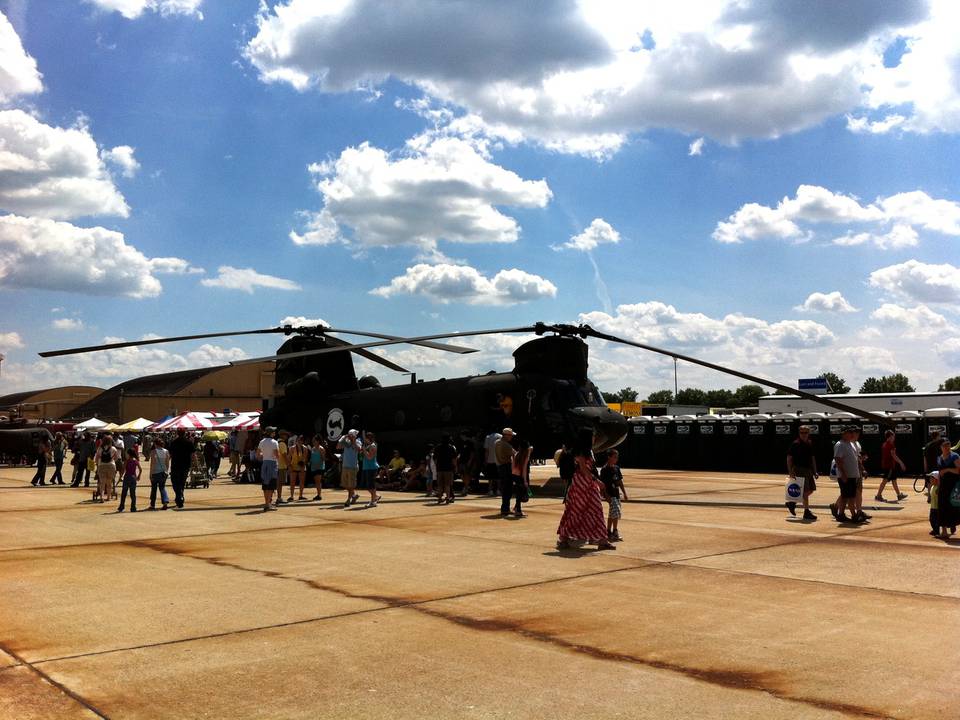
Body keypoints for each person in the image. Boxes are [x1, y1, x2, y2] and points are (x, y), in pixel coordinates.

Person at [557, 434, 615, 550]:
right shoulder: (581, 451)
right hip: (582, 484)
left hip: (587, 484)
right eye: (593, 436)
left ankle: (601, 539)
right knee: (577, 510)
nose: (595, 438)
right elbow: (583, 469)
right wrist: (596, 481)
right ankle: (564, 538)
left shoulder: (588, 451)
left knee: (593, 510)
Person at [831, 427, 862, 523]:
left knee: (845, 497)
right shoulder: (840, 445)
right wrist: (843, 474)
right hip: (846, 476)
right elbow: (838, 459)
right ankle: (854, 516)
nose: (852, 434)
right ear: (843, 434)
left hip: (852, 476)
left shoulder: (850, 444)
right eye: (849, 433)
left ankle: (841, 515)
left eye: (852, 433)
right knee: (850, 497)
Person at [786, 425, 818, 520]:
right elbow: (789, 458)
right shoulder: (795, 444)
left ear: (809, 433)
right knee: (805, 491)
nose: (804, 434)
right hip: (799, 469)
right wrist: (790, 471)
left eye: (805, 432)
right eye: (802, 433)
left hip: (808, 470)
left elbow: (812, 458)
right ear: (799, 433)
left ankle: (792, 503)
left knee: (811, 490)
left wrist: (815, 471)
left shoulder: (809, 443)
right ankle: (806, 511)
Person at [600, 449, 628, 540]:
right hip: (610, 494)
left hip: (616, 494)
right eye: (614, 457)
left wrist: (624, 493)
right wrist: (605, 494)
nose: (616, 459)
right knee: (614, 512)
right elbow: (602, 484)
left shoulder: (616, 468)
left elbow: (619, 481)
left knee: (615, 513)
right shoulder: (605, 469)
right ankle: (608, 531)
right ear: (609, 457)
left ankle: (614, 531)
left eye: (617, 457)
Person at [935, 439, 960, 539]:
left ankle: (952, 525)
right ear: (941, 447)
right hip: (943, 487)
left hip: (954, 487)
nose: (947, 447)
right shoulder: (939, 458)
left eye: (948, 445)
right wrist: (938, 486)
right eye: (945, 445)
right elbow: (940, 474)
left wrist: (947, 469)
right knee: (942, 507)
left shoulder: (955, 456)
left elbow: (959, 471)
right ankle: (944, 532)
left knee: (955, 507)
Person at [876, 429, 908, 502]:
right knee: (885, 480)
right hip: (889, 466)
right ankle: (878, 495)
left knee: (894, 480)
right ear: (890, 436)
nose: (894, 438)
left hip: (889, 466)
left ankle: (899, 495)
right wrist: (901, 463)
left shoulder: (884, 444)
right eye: (893, 436)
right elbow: (893, 455)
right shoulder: (890, 444)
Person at [168, 428, 194, 509]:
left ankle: (179, 496)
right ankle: (180, 496)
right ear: (185, 433)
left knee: (175, 482)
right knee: (182, 482)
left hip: (175, 465)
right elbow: (193, 454)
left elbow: (170, 454)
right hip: (186, 465)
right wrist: (195, 464)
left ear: (177, 433)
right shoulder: (189, 442)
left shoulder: (173, 442)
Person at [257, 427, 280, 511]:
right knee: (271, 485)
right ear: (271, 433)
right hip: (272, 463)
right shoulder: (274, 442)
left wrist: (264, 456)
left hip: (265, 463)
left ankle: (267, 503)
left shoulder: (262, 441)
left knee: (265, 485)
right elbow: (277, 455)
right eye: (273, 431)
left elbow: (258, 455)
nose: (274, 432)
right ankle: (268, 504)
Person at [495, 428, 517, 517]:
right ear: (506, 435)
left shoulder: (497, 443)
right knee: (508, 489)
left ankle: (505, 508)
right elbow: (516, 454)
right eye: (511, 435)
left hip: (500, 467)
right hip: (507, 467)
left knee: (504, 488)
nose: (512, 437)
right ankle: (505, 509)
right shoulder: (506, 445)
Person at [338, 429, 361, 507]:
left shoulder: (358, 441)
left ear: (355, 436)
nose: (350, 436)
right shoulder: (346, 442)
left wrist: (353, 440)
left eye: (352, 435)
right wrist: (343, 438)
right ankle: (354, 495)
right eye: (349, 435)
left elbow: (359, 449)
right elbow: (338, 446)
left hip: (353, 466)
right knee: (344, 484)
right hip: (345, 465)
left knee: (351, 484)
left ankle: (348, 500)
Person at [510, 437, 532, 517]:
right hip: (521, 476)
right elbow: (524, 470)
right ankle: (518, 510)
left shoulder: (516, 454)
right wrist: (525, 481)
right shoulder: (525, 457)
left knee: (518, 493)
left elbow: (512, 466)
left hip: (514, 475)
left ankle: (517, 508)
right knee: (521, 494)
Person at [95, 433, 120, 503]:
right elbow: (117, 458)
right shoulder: (113, 448)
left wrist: (97, 464)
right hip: (111, 465)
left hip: (102, 465)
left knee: (102, 482)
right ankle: (108, 497)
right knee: (109, 482)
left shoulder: (100, 448)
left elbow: (96, 458)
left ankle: (102, 497)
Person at [434, 434, 458, 505]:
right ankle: (447, 498)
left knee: (440, 485)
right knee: (448, 484)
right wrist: (455, 467)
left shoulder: (437, 447)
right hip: (448, 468)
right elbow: (454, 459)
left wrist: (437, 466)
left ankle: (439, 498)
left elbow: (435, 459)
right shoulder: (451, 447)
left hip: (439, 468)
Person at [360, 432, 382, 507]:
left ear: (368, 438)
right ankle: (376, 497)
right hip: (367, 467)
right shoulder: (369, 445)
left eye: (365, 438)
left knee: (371, 486)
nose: (364, 440)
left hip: (371, 468)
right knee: (369, 486)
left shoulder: (373, 446)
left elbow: (370, 457)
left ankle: (373, 501)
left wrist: (364, 450)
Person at [148, 437, 170, 510]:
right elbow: (167, 462)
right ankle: (165, 502)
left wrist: (150, 474)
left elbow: (152, 463)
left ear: (155, 444)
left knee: (154, 489)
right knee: (162, 488)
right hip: (163, 473)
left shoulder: (154, 451)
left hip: (155, 472)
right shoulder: (166, 451)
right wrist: (166, 471)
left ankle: (152, 504)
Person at [117, 447, 142, 512]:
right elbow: (140, 469)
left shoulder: (127, 461)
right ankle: (133, 507)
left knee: (124, 493)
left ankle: (121, 507)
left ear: (129, 454)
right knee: (132, 493)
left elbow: (123, 470)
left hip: (127, 477)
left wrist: (120, 477)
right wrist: (139, 476)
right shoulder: (135, 461)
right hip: (133, 478)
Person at [287, 434, 308, 501]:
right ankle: (291, 496)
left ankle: (300, 495)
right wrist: (289, 466)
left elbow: (305, 458)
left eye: (301, 440)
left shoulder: (305, 448)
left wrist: (303, 465)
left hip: (301, 467)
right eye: (298, 440)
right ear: (296, 441)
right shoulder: (292, 448)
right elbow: (289, 458)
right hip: (293, 467)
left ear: (302, 441)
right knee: (292, 482)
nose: (299, 441)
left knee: (302, 482)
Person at [483, 430, 501, 495]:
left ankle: (490, 490)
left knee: (490, 477)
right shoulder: (500, 437)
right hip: (499, 461)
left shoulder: (488, 437)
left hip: (490, 460)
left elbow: (486, 450)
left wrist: (485, 460)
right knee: (498, 477)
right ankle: (498, 490)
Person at [309, 436, 326, 501]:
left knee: (318, 481)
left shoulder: (321, 448)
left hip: (319, 467)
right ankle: (318, 494)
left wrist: (322, 455)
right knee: (316, 482)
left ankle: (319, 495)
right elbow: (311, 458)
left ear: (318, 441)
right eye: (313, 441)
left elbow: (323, 459)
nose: (313, 442)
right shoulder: (313, 448)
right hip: (313, 467)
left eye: (314, 441)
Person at [275, 431, 290, 504]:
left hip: (276, 465)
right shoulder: (283, 444)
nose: (287, 437)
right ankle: (279, 497)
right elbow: (284, 455)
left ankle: (275, 497)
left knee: (277, 483)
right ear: (283, 436)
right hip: (281, 466)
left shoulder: (276, 443)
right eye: (286, 435)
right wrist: (289, 465)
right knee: (279, 483)